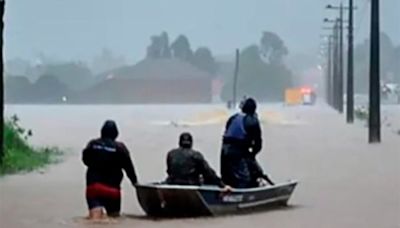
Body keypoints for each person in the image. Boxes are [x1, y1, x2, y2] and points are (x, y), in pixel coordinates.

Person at [82, 120, 138, 220]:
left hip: (94, 187)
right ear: (116, 134)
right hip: (112, 190)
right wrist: (135, 183)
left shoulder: (92, 144)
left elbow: (85, 160)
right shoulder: (120, 148)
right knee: (114, 219)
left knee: (95, 220)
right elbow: (129, 169)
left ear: (102, 132)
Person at [221, 97, 273, 188]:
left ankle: (226, 187)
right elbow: (258, 144)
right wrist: (252, 155)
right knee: (244, 179)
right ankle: (241, 194)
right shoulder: (253, 121)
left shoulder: (233, 118)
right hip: (237, 152)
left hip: (224, 150)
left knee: (226, 177)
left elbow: (227, 134)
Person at [166, 132, 232, 192]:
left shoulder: (171, 154)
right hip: (191, 185)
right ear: (191, 143)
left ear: (179, 142)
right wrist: (223, 185)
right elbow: (209, 173)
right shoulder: (196, 155)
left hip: (173, 183)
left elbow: (169, 171)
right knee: (208, 179)